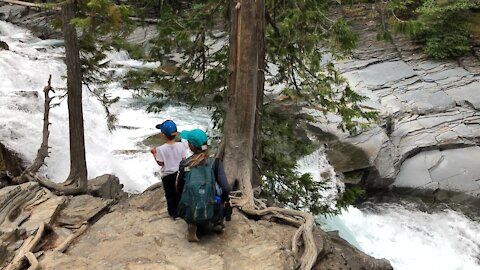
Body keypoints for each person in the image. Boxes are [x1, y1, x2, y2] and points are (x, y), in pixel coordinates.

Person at [176, 129, 231, 242]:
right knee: (219, 193)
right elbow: (226, 188)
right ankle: (216, 222)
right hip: (211, 206)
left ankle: (192, 223)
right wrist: (224, 200)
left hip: (190, 207)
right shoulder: (215, 163)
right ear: (205, 145)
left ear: (191, 146)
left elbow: (179, 188)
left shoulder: (184, 164)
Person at [151, 120, 186, 218]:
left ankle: (173, 213)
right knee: (179, 193)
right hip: (179, 174)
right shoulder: (181, 145)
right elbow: (184, 159)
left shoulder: (161, 149)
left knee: (170, 195)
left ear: (163, 134)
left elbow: (161, 163)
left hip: (168, 176)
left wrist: (154, 154)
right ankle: (181, 211)